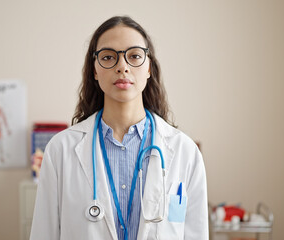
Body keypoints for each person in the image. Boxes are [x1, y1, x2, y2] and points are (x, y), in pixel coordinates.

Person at [30, 16, 208, 240]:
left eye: (134, 56)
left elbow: (196, 234)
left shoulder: (185, 151)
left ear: (149, 68)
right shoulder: (60, 150)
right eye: (108, 57)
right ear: (94, 70)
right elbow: (43, 234)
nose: (122, 67)